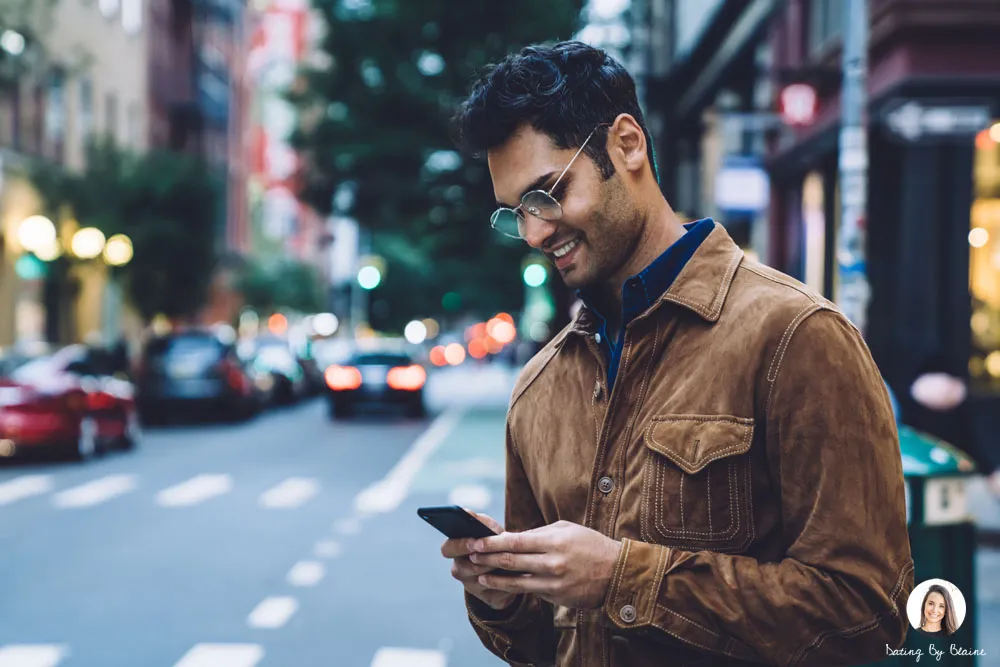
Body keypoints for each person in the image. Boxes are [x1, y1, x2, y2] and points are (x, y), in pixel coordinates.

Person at [440, 41, 914, 666]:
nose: (534, 232)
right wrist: (501, 596)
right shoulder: (539, 385)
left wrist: (622, 578)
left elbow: (873, 613)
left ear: (627, 145)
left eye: (548, 193)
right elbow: (543, 646)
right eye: (516, 212)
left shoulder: (797, 336)